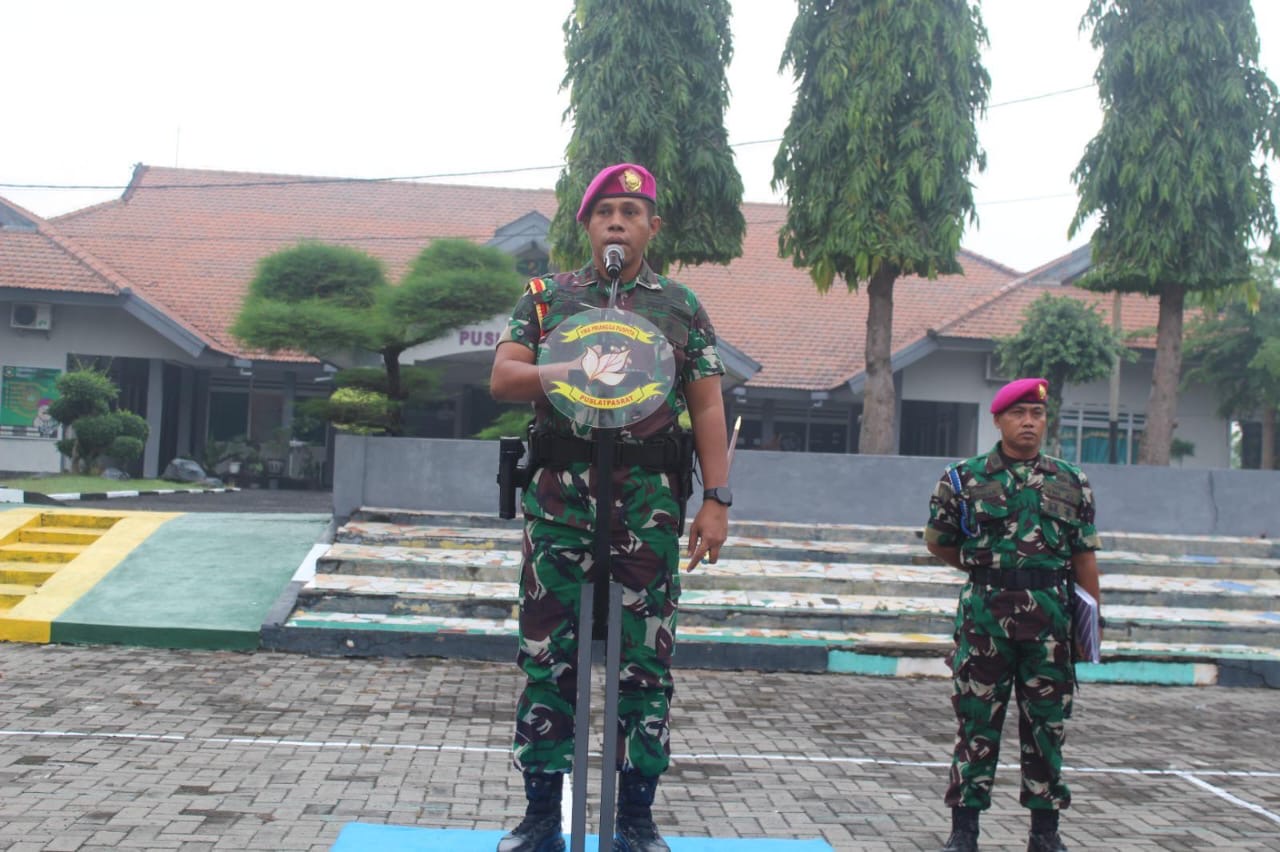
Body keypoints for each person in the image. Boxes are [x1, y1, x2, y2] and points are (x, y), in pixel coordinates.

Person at [489, 163, 731, 852]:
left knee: (646, 667)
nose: (617, 223)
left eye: (631, 212)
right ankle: (541, 817)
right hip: (560, 504)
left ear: (652, 226)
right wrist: (561, 371)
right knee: (548, 658)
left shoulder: (680, 306)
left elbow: (707, 404)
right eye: (604, 213)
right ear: (587, 227)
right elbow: (503, 377)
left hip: (647, 507)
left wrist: (717, 499)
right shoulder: (547, 298)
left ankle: (636, 820)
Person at [923, 378, 1103, 852]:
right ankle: (964, 832)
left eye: (1037, 414)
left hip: (1050, 624)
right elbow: (938, 541)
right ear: (999, 420)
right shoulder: (963, 479)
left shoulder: (1072, 481)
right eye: (1018, 414)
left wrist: (1091, 624)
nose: (1028, 422)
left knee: (1047, 728)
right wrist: (987, 569)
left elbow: (1084, 556)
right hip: (985, 621)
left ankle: (1045, 834)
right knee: (976, 724)